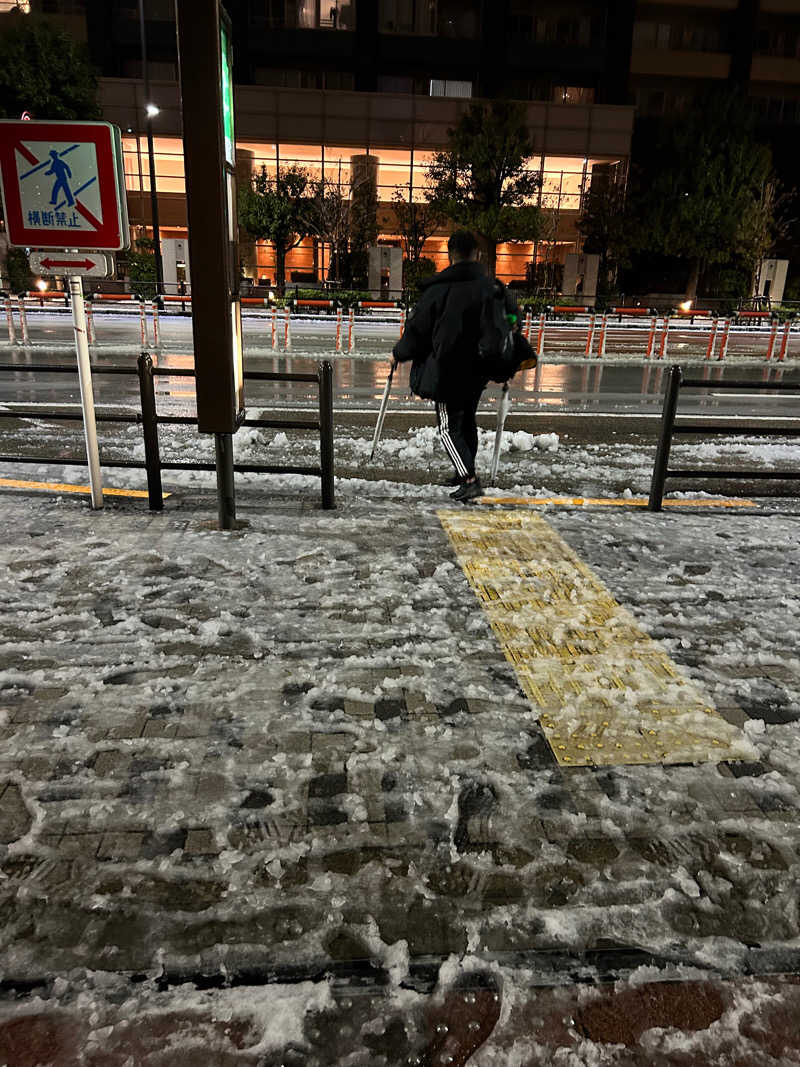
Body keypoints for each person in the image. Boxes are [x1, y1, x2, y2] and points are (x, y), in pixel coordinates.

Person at [392, 229, 520, 501]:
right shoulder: (491, 287)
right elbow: (512, 319)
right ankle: (464, 469)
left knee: (447, 428)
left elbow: (417, 330)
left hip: (446, 370)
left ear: (450, 255)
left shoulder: (440, 289)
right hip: (479, 371)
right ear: (477, 254)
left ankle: (469, 479)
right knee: (466, 422)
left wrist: (399, 353)